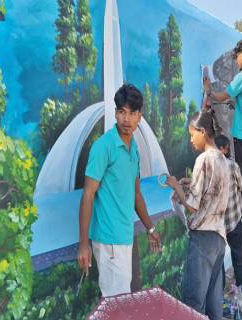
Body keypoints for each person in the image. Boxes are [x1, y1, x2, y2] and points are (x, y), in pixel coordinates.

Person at [76, 83, 162, 297]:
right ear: (115, 113)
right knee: (117, 304)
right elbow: (88, 194)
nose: (126, 119)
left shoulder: (134, 150)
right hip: (108, 242)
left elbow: (135, 193)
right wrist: (83, 244)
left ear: (139, 116)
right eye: (122, 112)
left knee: (118, 302)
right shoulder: (103, 147)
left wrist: (150, 230)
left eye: (132, 113)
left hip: (124, 238)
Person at [165, 109, 229, 320]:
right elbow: (212, 194)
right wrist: (191, 184)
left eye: (192, 134)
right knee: (213, 304)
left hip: (202, 239)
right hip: (219, 238)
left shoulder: (203, 159)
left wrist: (176, 185)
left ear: (203, 132)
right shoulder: (222, 157)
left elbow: (192, 206)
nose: (191, 140)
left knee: (193, 304)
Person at [203, 38, 242, 228]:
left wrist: (208, 91)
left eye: (237, 57)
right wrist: (237, 103)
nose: (236, 61)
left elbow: (222, 95)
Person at [214, 134, 242, 287]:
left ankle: (218, 294)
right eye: (226, 147)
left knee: (218, 260)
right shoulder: (232, 165)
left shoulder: (208, 167)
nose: (228, 150)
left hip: (218, 224)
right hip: (235, 219)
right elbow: (241, 185)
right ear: (221, 149)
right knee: (239, 256)